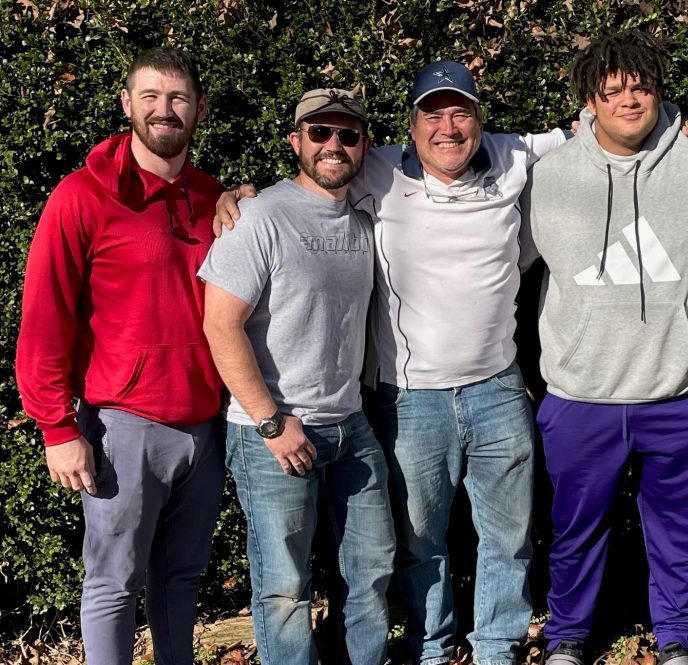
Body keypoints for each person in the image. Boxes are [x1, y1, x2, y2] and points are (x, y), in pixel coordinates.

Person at [217, 60, 567, 665]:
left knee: (508, 539)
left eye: (460, 113)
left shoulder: (515, 156)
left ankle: (496, 649)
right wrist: (237, 195)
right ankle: (431, 648)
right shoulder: (378, 172)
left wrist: (675, 122)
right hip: (409, 398)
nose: (447, 128)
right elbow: (307, 185)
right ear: (410, 127)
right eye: (433, 115)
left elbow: (599, 125)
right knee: (417, 544)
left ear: (481, 122)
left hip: (497, 390)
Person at [521, 30, 688, 665]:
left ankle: (677, 634)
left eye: (641, 86)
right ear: (589, 100)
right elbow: (492, 259)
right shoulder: (548, 178)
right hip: (582, 397)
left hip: (683, 395)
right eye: (612, 90)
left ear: (659, 91)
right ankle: (568, 635)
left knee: (679, 531)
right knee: (574, 531)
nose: (628, 100)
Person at [15, 47, 225, 665]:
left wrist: (242, 195)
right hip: (122, 426)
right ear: (127, 104)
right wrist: (56, 427)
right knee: (113, 583)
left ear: (199, 109)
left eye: (178, 98)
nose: (165, 110)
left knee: (181, 581)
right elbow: (44, 318)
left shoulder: (213, 197)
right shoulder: (81, 197)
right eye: (151, 96)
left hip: (204, 426)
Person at [199, 89, 395, 665]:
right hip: (274, 432)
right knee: (285, 587)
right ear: (295, 141)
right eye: (319, 133)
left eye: (348, 135)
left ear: (365, 147)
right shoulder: (258, 216)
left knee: (371, 567)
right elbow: (220, 325)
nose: (334, 145)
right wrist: (271, 422)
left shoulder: (364, 218)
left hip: (349, 425)